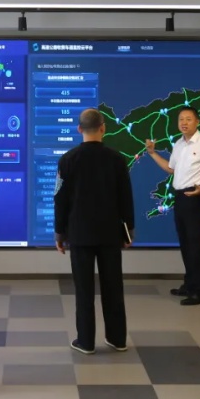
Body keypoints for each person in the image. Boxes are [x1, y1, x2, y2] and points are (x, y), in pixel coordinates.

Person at [54, 108, 135, 355]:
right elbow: (126, 198)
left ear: (79, 129)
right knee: (113, 287)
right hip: (110, 233)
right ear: (103, 128)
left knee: (84, 289)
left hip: (79, 234)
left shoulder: (67, 159)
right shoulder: (117, 159)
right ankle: (117, 339)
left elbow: (60, 199)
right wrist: (128, 230)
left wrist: (59, 233)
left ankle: (86, 341)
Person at [145, 106, 200, 305]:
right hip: (180, 197)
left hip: (195, 197)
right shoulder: (178, 144)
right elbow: (171, 169)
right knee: (186, 243)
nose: (184, 123)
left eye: (188, 119)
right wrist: (152, 153)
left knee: (195, 244)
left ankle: (199, 291)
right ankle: (189, 284)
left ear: (197, 121)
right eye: (181, 119)